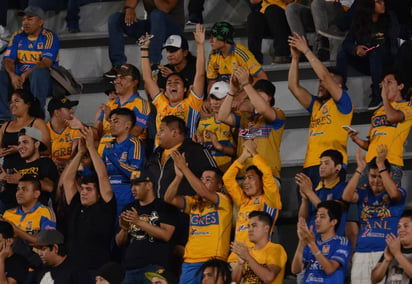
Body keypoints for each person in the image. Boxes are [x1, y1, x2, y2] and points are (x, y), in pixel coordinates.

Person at [288, 32, 353, 186]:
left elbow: (324, 77)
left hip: (332, 166)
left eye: (328, 82)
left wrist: (306, 51)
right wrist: (295, 58)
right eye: (320, 82)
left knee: (327, 209)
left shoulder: (343, 102)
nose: (321, 83)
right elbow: (293, 87)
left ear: (339, 86)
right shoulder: (317, 104)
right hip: (310, 165)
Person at [164, 152, 232, 283]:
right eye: (201, 179)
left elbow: (203, 191)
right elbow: (169, 198)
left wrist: (184, 168)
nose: (203, 182)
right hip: (190, 260)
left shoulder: (224, 200)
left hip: (213, 259)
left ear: (219, 186)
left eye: (208, 180)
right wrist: (179, 176)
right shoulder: (193, 202)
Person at [342, 145, 406, 284]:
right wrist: (359, 169)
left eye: (380, 176)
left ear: (388, 174)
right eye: (372, 176)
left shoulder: (399, 192)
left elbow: (394, 194)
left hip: (385, 253)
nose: (376, 181)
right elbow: (346, 197)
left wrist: (381, 165)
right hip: (361, 252)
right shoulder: (363, 192)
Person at [62, 127, 116, 282]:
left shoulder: (105, 207)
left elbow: (103, 177)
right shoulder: (76, 205)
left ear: (99, 194)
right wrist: (80, 153)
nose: (83, 192)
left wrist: (91, 148)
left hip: (96, 270)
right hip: (72, 269)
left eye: (89, 189)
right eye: (83, 189)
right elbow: (67, 179)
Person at [141, 24, 205, 144]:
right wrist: (144, 49)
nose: (172, 85)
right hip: (161, 156)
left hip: (185, 152)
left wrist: (200, 45)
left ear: (186, 89)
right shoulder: (161, 103)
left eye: (177, 82)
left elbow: (200, 74)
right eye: (169, 83)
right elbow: (148, 79)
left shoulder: (192, 103)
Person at [218, 70, 285, 180]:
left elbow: (263, 109)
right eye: (255, 92)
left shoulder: (278, 113)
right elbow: (222, 117)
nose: (255, 95)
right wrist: (232, 91)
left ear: (270, 97)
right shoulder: (245, 116)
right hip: (243, 176)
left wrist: (246, 84)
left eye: (260, 92)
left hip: (267, 176)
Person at [348, 71, 412, 186]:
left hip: (391, 164)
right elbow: (370, 145)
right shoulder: (378, 112)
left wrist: (384, 98)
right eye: (383, 83)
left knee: (385, 202)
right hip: (370, 165)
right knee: (353, 197)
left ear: (400, 86)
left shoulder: (407, 107)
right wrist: (356, 139)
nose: (385, 86)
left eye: (389, 82)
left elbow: (392, 117)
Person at [222, 140, 282, 263]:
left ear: (261, 181)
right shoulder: (243, 201)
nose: (245, 182)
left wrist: (254, 154)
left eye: (251, 178)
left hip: (257, 258)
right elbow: (227, 179)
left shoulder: (270, 201)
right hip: (235, 258)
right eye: (244, 179)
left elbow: (267, 173)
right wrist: (243, 156)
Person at [115, 170, 178, 284]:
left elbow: (166, 235)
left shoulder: (164, 206)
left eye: (137, 184)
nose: (133, 189)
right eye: (132, 185)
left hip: (154, 268)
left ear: (149, 185)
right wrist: (124, 229)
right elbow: (119, 243)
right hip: (130, 269)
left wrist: (138, 221)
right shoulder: (129, 208)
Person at [336, 0, 399, 110]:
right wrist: (355, 49)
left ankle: (377, 94)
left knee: (375, 54)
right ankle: (338, 91)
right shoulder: (359, 20)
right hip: (367, 61)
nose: (383, 4)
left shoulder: (389, 18)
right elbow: (347, 43)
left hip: (385, 63)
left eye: (383, 1)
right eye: (379, 2)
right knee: (342, 54)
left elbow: (394, 46)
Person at [0, 6, 59, 119]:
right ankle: (4, 118)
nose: (25, 23)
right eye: (24, 19)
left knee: (38, 73)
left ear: (40, 22)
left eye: (30, 19)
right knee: (1, 76)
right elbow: (8, 60)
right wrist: (13, 76)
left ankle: (36, 116)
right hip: (19, 80)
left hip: (42, 81)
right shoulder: (17, 36)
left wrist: (26, 74)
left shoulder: (49, 36)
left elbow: (46, 62)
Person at [104, 0, 184, 78]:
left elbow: (165, 8)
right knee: (115, 18)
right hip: (152, 27)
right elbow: (129, 5)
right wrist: (129, 9)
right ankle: (118, 66)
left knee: (156, 14)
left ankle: (153, 65)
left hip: (173, 28)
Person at [0, 89, 50, 211]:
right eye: (11, 102)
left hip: (29, 177)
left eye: (17, 101)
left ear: (27, 104)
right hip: (7, 179)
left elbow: (47, 150)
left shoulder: (36, 123)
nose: (12, 105)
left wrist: (19, 149)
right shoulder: (5, 126)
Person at [291, 200, 352, 283]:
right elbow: (295, 270)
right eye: (316, 216)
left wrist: (312, 244)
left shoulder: (342, 242)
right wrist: (302, 242)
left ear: (333, 222)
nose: (317, 220)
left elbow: (330, 269)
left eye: (322, 217)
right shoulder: (312, 242)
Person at [96, 64, 150, 155]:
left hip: (125, 159)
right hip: (103, 158)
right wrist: (82, 127)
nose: (116, 81)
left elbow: (136, 132)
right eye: (116, 77)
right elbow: (97, 133)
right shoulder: (110, 104)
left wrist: (110, 118)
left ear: (135, 82)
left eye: (122, 78)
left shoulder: (142, 105)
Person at [1, 127, 59, 208]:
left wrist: (22, 179)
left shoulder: (45, 162)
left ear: (36, 144)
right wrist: (4, 184)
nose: (20, 146)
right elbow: (6, 199)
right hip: (13, 213)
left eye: (25, 142)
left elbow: (50, 187)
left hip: (36, 213)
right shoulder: (16, 167)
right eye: (19, 143)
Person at [103, 108, 145, 217]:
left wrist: (112, 156)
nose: (111, 125)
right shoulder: (108, 146)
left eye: (116, 121)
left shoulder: (135, 144)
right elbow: (101, 173)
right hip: (107, 197)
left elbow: (135, 173)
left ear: (128, 125)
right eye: (110, 121)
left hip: (126, 198)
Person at [296, 149, 348, 236]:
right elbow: (302, 220)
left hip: (332, 241)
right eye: (321, 163)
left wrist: (309, 193)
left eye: (326, 163)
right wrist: (305, 199)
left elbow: (329, 211)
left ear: (338, 167)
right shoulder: (314, 189)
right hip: (311, 239)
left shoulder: (344, 188)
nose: (322, 167)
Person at [206, 21, 268, 93]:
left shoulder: (241, 53)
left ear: (225, 39)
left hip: (246, 95)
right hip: (227, 95)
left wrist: (241, 97)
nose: (210, 41)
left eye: (214, 37)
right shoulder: (213, 55)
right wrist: (209, 98)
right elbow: (212, 82)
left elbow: (262, 77)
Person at [232, 211, 287, 284]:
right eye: (249, 226)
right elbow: (233, 282)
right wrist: (240, 263)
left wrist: (248, 257)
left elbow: (268, 277)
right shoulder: (248, 252)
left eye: (254, 225)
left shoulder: (276, 249)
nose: (249, 230)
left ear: (266, 229)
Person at [3, 175, 56, 245]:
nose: (19, 193)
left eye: (24, 189)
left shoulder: (45, 212)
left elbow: (48, 241)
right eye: (18, 189)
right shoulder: (8, 213)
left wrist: (17, 231)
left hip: (33, 255)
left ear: (36, 194)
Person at [195, 81, 236, 172]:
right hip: (208, 171)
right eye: (213, 98)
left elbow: (237, 152)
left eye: (219, 98)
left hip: (229, 170)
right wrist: (199, 139)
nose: (215, 102)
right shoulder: (203, 123)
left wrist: (219, 147)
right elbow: (199, 138)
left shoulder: (234, 123)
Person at [371, 210, 412, 283]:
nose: (401, 230)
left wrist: (397, 254)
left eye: (406, 226)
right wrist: (386, 261)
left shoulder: (395, 250)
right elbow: (374, 279)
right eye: (399, 227)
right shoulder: (391, 249)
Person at [247, 0, 291, 64]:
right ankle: (254, 60)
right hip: (265, 14)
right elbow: (253, 1)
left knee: (272, 10)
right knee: (253, 17)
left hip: (286, 13)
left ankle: (282, 54)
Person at [46, 96, 80, 173]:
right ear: (57, 113)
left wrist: (66, 162)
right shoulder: (44, 130)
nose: (72, 111)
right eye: (68, 108)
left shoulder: (74, 127)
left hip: (72, 168)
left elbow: (76, 153)